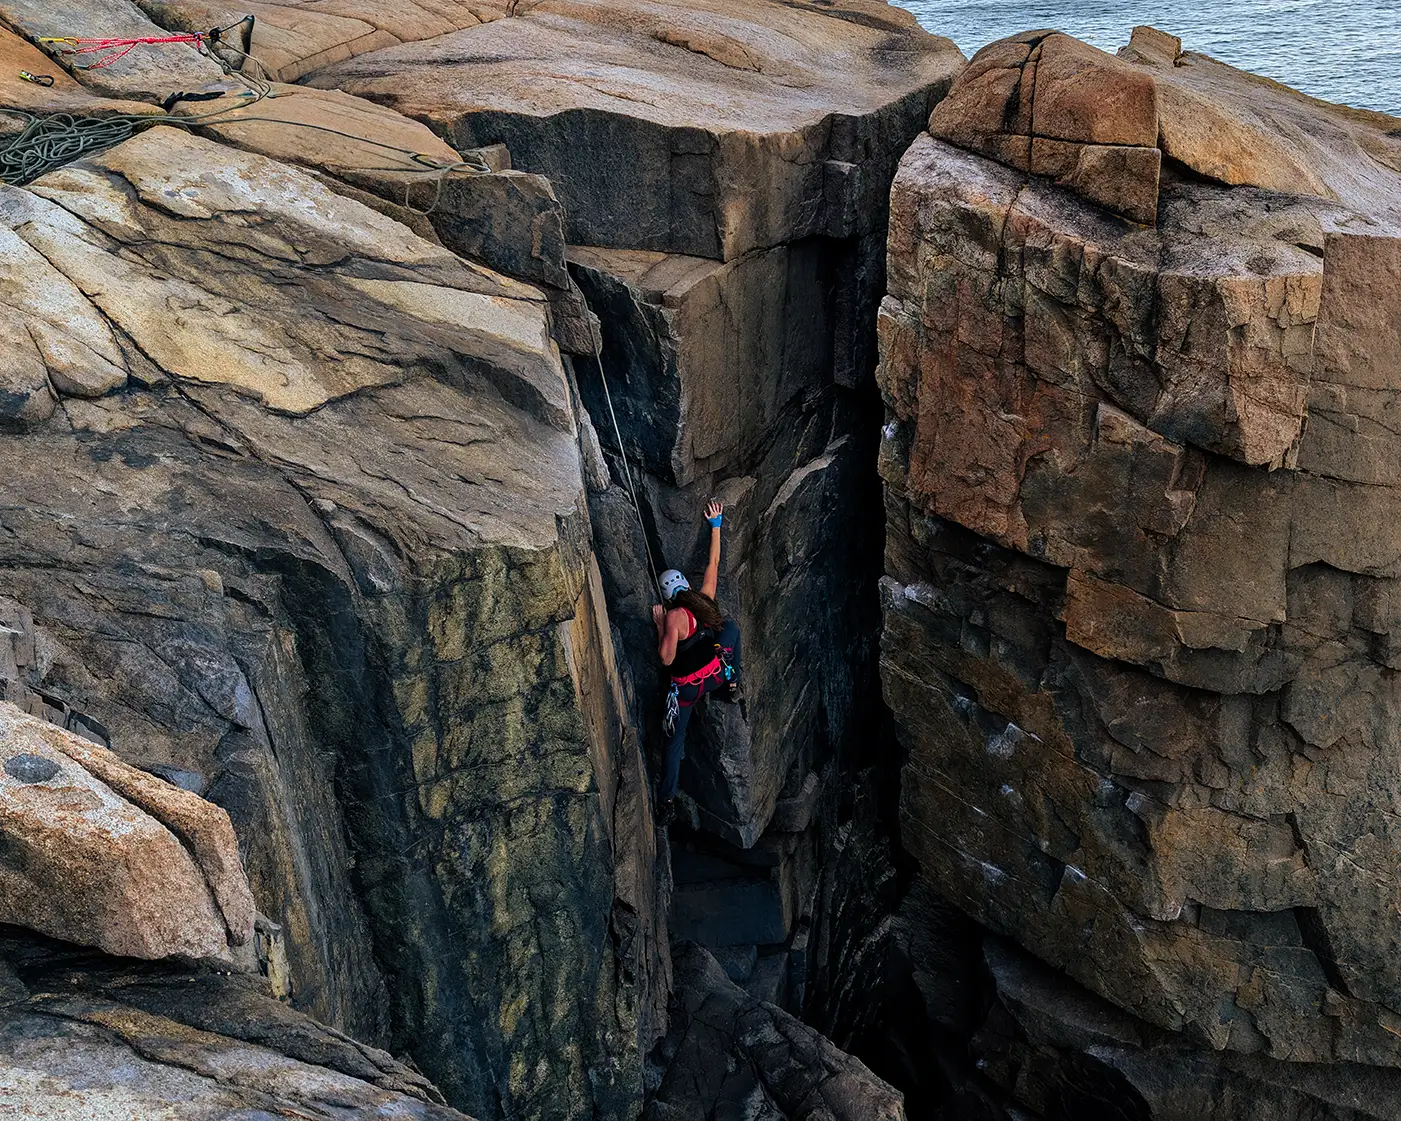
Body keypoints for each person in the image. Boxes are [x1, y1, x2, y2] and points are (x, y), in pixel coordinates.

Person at [652, 499, 743, 826]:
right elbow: (714, 564)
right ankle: (734, 684)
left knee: (674, 744)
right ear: (687, 587)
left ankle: (666, 801)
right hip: (715, 676)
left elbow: (667, 659)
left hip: (687, 690)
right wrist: (716, 525)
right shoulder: (704, 602)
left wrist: (663, 626)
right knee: (731, 628)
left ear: (667, 597)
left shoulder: (674, 616)